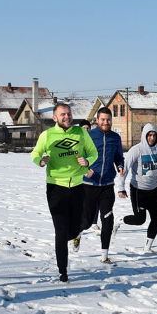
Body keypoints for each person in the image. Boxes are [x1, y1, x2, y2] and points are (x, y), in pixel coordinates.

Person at [31, 103, 98, 283]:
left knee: (76, 227)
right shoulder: (47, 135)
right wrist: (41, 161)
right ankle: (63, 272)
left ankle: (74, 235)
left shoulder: (81, 132)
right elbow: (35, 153)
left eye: (68, 114)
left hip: (77, 187)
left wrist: (87, 161)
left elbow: (93, 153)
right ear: (55, 118)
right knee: (60, 230)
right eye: (63, 114)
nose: (67, 117)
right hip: (55, 187)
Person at [80, 108, 125, 264]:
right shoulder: (88, 136)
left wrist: (120, 165)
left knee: (108, 220)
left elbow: (119, 156)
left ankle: (104, 256)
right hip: (89, 185)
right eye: (103, 119)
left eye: (108, 120)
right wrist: (85, 170)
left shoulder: (115, 138)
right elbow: (78, 157)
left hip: (107, 185)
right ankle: (77, 233)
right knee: (86, 222)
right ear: (97, 120)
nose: (106, 122)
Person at [117, 123, 157, 253]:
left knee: (156, 218)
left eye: (154, 135)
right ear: (144, 136)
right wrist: (121, 188)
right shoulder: (136, 150)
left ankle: (147, 247)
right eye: (149, 135)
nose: (152, 138)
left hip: (153, 191)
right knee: (140, 220)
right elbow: (125, 168)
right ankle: (119, 220)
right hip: (138, 190)